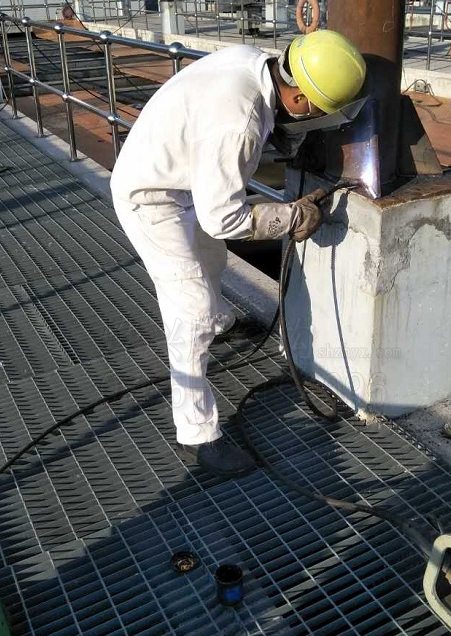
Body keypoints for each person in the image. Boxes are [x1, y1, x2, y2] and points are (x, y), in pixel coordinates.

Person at [110, 30, 366, 478]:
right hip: (150, 199)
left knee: (212, 262)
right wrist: (291, 216)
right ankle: (197, 433)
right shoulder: (239, 123)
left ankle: (221, 323)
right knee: (190, 309)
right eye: (318, 112)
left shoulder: (255, 62)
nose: (316, 120)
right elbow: (222, 220)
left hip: (182, 183)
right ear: (299, 97)